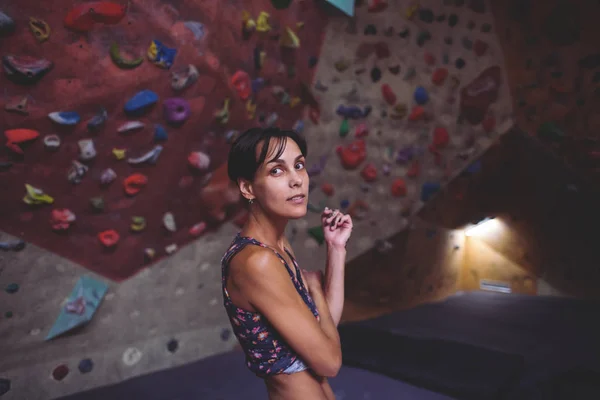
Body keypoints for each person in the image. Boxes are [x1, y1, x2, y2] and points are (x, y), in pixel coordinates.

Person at [221, 127, 353, 399]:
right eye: (276, 171)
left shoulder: (277, 246)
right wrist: (315, 289)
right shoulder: (256, 262)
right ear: (247, 187)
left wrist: (336, 249)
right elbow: (329, 362)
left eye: (299, 165)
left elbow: (321, 331)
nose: (297, 181)